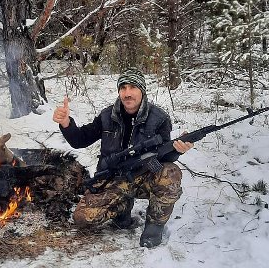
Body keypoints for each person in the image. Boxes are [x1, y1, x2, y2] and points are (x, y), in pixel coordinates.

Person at [53, 68, 193, 248]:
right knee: (83, 217)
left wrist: (178, 150)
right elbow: (80, 140)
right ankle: (122, 207)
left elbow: (164, 154)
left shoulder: (159, 118)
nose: (127, 93)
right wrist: (66, 123)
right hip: (113, 177)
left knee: (170, 171)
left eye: (133, 87)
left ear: (142, 90)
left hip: (144, 176)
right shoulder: (107, 115)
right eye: (123, 88)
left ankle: (155, 225)